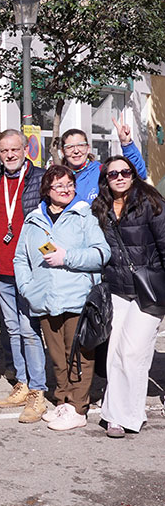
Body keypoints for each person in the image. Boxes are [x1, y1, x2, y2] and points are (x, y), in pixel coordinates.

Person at [14, 164, 111, 431]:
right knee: (57, 356)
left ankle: (78, 407)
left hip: (77, 298)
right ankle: (63, 401)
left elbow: (102, 253)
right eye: (59, 185)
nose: (65, 190)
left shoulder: (84, 215)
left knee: (79, 355)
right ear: (47, 189)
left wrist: (66, 257)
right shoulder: (33, 219)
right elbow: (20, 258)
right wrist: (27, 288)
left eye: (69, 184)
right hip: (45, 298)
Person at [91, 155, 165, 438]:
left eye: (125, 172)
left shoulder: (151, 203)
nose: (120, 177)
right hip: (118, 288)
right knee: (114, 352)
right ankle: (116, 415)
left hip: (150, 289)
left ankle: (125, 415)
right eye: (113, 174)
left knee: (133, 352)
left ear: (133, 175)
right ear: (106, 179)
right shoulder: (100, 208)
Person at [0, 130, 47, 413]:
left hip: (30, 268)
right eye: (4, 151)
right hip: (1, 270)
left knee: (30, 330)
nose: (10, 155)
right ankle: (22, 382)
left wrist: (47, 257)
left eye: (14, 149)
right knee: (12, 329)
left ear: (25, 150)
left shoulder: (40, 178)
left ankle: (38, 388)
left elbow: (51, 221)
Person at [59, 123, 146, 204]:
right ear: (62, 152)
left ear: (88, 148)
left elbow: (139, 175)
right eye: (69, 147)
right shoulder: (57, 178)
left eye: (80, 145)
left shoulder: (101, 171)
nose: (76, 151)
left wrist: (127, 144)